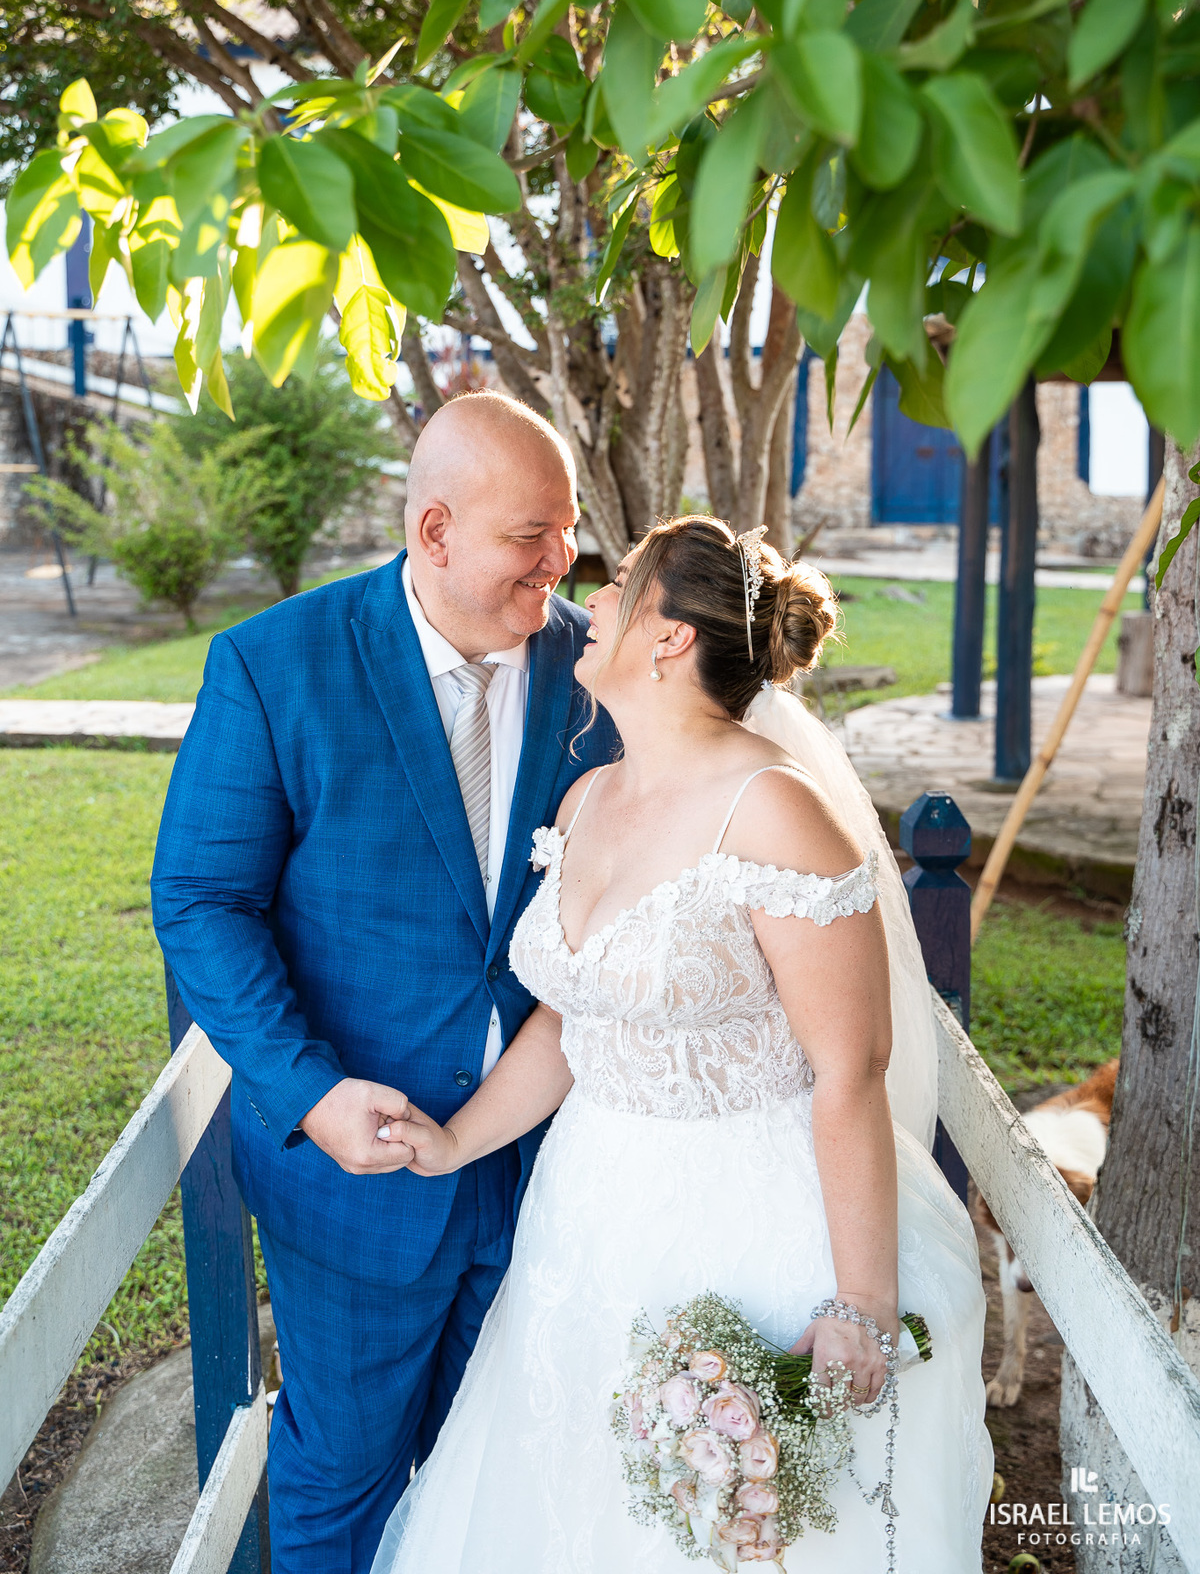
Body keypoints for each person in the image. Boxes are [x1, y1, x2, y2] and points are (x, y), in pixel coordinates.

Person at [370, 514, 992, 1572]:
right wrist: (454, 1142)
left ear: (667, 637)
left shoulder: (776, 812)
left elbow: (851, 1068)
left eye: (620, 591)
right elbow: (578, 1019)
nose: (591, 601)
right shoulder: (587, 795)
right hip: (587, 1210)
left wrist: (862, 1303)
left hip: (752, 1217)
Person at [150, 392, 620, 1573]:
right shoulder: (274, 666)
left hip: (549, 1167)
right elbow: (202, 904)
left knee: (504, 1478)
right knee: (343, 1479)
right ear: (435, 531)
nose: (560, 563)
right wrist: (310, 1093)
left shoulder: (599, 671)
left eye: (568, 531)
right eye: (531, 537)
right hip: (355, 1182)